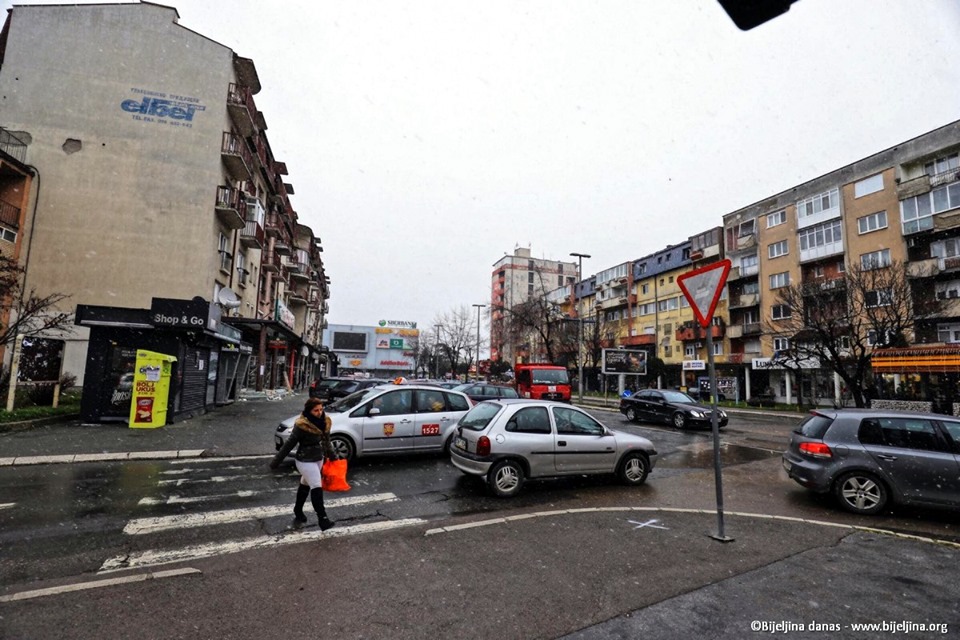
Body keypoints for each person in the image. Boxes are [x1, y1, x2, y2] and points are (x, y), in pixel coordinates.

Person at [270, 397, 336, 530]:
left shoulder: (325, 421)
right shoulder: (302, 425)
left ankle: (298, 510)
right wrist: (276, 461)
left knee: (305, 484)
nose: (319, 412)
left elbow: (326, 441)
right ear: (308, 411)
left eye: (321, 409)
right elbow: (289, 444)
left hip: (318, 458)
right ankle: (323, 519)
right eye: (316, 410)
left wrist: (333, 456)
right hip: (305, 460)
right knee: (316, 486)